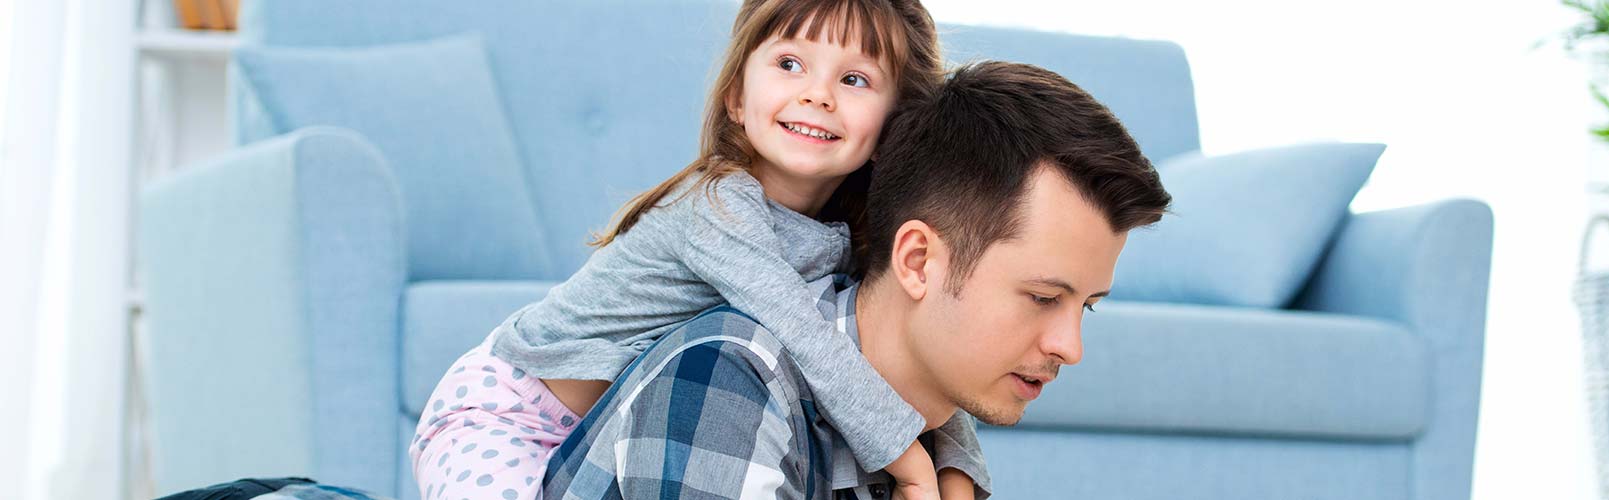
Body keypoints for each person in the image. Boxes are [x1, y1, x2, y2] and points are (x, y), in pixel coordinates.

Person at [408, 1, 975, 499]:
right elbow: (807, 337)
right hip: (507, 413)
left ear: (893, 126)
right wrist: (912, 466)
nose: (817, 94)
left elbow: (911, 349)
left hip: (608, 430)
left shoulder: (851, 235)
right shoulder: (717, 208)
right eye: (789, 64)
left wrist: (958, 467)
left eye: (854, 80)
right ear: (735, 96)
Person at [542, 61, 1174, 499]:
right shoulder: (728, 378)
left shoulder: (928, 429)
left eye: (1086, 306)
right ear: (918, 261)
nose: (1071, 347)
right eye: (1043, 297)